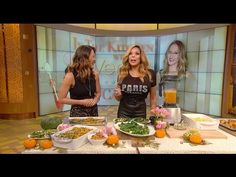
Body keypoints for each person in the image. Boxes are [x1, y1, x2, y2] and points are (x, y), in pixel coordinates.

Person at [114, 44, 157, 118]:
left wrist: (154, 114)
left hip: (140, 113)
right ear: (128, 57)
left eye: (137, 53)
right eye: (130, 53)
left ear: (141, 57)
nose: (133, 55)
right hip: (123, 113)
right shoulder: (122, 73)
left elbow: (153, 98)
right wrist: (118, 95)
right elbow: (118, 98)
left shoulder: (150, 74)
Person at [58, 45, 101, 117]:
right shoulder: (70, 76)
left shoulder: (95, 74)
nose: (95, 59)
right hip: (78, 114)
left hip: (93, 113)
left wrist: (95, 100)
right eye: (93, 56)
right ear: (85, 58)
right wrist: (82, 102)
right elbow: (61, 99)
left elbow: (98, 93)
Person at [157, 40, 189, 106]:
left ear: (181, 55)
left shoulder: (185, 75)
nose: (171, 56)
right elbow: (156, 97)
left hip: (179, 113)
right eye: (170, 52)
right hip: (162, 113)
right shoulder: (160, 74)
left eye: (176, 53)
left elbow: (188, 100)